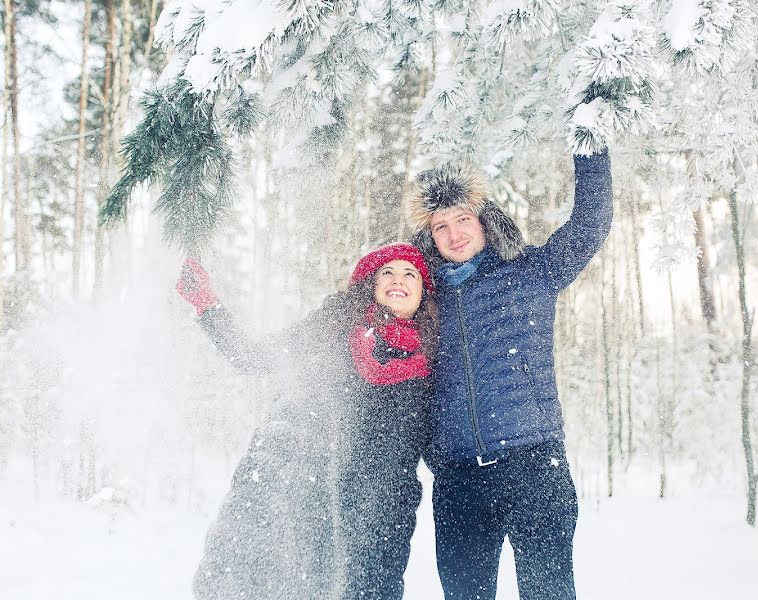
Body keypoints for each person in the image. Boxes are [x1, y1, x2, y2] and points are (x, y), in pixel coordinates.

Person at [408, 149, 613, 599]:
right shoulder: (423, 300)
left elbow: (590, 225)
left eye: (461, 219)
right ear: (430, 238)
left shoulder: (531, 272)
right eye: (440, 226)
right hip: (459, 478)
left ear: (484, 219)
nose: (453, 234)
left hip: (534, 465)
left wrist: (590, 144)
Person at [178, 243, 436, 600]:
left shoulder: (436, 357)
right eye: (387, 272)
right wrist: (208, 307)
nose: (398, 280)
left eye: (411, 274)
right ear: (371, 284)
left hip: (379, 511)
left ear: (424, 291)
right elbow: (258, 358)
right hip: (298, 486)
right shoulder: (335, 326)